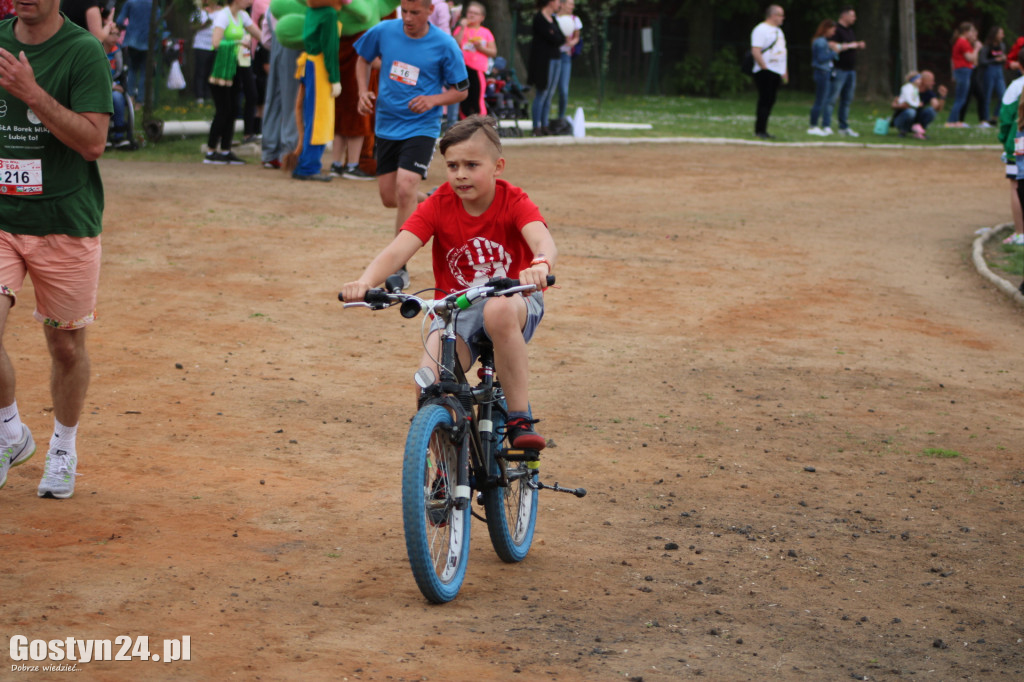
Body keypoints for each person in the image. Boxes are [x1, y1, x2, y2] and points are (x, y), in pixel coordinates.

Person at [341, 115, 557, 450]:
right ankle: (440, 474)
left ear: (498, 166)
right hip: (457, 309)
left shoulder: (513, 200)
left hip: (514, 301)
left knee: (498, 311)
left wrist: (540, 263)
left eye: (472, 165)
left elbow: (543, 241)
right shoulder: (439, 204)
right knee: (427, 385)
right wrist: (365, 281)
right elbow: (399, 247)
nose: (460, 174)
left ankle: (518, 417)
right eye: (452, 165)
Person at [0, 0, 113, 499]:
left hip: (64, 222)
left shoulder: (82, 51)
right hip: (3, 219)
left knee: (65, 346)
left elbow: (92, 142)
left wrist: (31, 94)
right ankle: (9, 433)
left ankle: (63, 446)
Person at [354, 0, 468, 287]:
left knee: (405, 188)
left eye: (414, 13)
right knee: (390, 198)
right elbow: (362, 59)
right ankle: (433, 202)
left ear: (430, 10)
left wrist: (433, 100)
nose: (407, 18)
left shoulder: (445, 44)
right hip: (386, 125)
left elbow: (461, 90)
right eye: (404, 11)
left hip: (422, 126)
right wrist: (362, 91)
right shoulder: (384, 31)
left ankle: (398, 265)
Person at [204, 0, 261, 165]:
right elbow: (215, 43)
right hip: (220, 68)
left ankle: (226, 149)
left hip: (234, 67)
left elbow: (261, 36)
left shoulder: (243, 16)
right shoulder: (223, 16)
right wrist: (238, 42)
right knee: (223, 109)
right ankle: (210, 150)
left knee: (234, 109)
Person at [258, 6, 300, 169]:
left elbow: (266, 39)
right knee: (291, 102)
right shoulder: (297, 5)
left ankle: (269, 153)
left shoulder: (272, 7)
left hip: (275, 48)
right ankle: (288, 152)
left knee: (272, 101)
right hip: (292, 49)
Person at [527, 0, 564, 136]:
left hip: (556, 59)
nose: (559, 4)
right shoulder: (539, 19)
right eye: (558, 1)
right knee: (541, 93)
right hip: (543, 62)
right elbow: (552, 38)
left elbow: (560, 38)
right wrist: (554, 36)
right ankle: (536, 126)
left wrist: (554, 35)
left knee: (549, 94)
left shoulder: (553, 19)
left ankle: (545, 124)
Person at [453, 1, 495, 118]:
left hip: (477, 70)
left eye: (475, 13)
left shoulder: (485, 32)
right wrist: (462, 27)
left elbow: (493, 52)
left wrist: (480, 48)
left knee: (477, 98)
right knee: (463, 98)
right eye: (470, 12)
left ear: (482, 17)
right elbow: (455, 44)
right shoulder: (461, 29)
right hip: (462, 69)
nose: (471, 15)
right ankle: (464, 124)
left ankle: (481, 124)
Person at [750, 4, 786, 140]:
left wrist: (784, 71)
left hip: (777, 70)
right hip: (765, 70)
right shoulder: (761, 29)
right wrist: (764, 67)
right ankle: (760, 130)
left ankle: (763, 129)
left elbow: (783, 53)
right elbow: (755, 50)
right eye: (781, 15)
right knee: (765, 100)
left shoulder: (779, 31)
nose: (783, 18)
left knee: (770, 100)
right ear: (773, 15)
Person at [829, 7, 866, 137]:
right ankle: (826, 126)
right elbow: (832, 46)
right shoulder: (836, 29)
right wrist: (852, 45)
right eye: (852, 16)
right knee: (832, 98)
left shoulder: (850, 30)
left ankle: (843, 127)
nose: (854, 18)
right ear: (844, 16)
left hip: (851, 71)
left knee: (847, 100)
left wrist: (857, 46)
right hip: (839, 70)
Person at [997, 72, 1024, 245]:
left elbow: (1006, 118)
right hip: (1019, 141)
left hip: (1018, 141)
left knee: (1017, 184)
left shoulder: (1016, 85)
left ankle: (1021, 233)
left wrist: (1004, 140)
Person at [115, 0, 156, 104]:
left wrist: (127, 28)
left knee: (132, 69)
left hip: (132, 41)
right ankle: (140, 101)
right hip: (147, 42)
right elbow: (160, 22)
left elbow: (119, 21)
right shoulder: (152, 4)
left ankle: (130, 98)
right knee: (144, 72)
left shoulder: (130, 3)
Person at [807, 18, 838, 136]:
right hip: (822, 73)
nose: (833, 33)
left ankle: (815, 125)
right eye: (832, 30)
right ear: (827, 29)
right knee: (820, 100)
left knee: (822, 100)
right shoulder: (820, 42)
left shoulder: (822, 41)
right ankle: (813, 125)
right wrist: (834, 52)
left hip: (824, 73)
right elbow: (821, 59)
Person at [947, 22, 980, 127]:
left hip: (962, 70)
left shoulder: (961, 42)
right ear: (966, 32)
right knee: (961, 98)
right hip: (963, 70)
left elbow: (974, 61)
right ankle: (951, 121)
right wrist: (977, 48)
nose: (973, 33)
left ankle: (955, 121)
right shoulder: (963, 42)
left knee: (961, 97)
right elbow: (970, 58)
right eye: (971, 31)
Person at [554, 0, 581, 130]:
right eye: (570, 4)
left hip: (565, 57)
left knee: (563, 90)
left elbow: (576, 37)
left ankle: (560, 117)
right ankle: (544, 121)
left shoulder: (574, 19)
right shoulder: (553, 18)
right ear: (562, 4)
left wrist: (571, 43)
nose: (572, 7)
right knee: (549, 90)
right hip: (553, 55)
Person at [978, 26, 1006, 127]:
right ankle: (986, 119)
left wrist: (1003, 59)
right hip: (989, 71)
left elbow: (1003, 58)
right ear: (995, 34)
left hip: (999, 72)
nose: (1003, 35)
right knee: (987, 96)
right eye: (1001, 33)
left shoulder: (1002, 45)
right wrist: (994, 60)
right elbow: (982, 61)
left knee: (1003, 96)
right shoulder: (987, 47)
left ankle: (995, 116)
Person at [191, 2, 217, 105]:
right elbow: (192, 27)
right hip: (201, 45)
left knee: (210, 71)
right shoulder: (198, 12)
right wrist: (204, 24)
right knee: (200, 71)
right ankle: (199, 95)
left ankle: (208, 94)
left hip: (214, 46)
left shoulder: (220, 12)